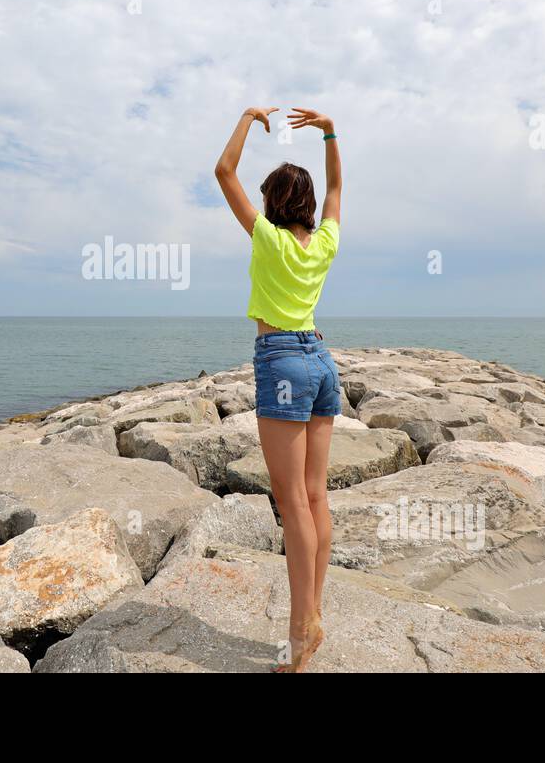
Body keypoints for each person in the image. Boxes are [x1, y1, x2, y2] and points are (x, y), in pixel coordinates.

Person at [214, 106, 342, 672]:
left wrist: (247, 117)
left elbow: (223, 170)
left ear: (271, 204)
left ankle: (299, 638)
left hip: (283, 361)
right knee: (315, 497)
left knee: (292, 503)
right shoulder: (323, 243)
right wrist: (330, 131)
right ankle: (312, 614)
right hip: (321, 360)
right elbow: (337, 184)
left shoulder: (267, 238)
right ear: (308, 206)